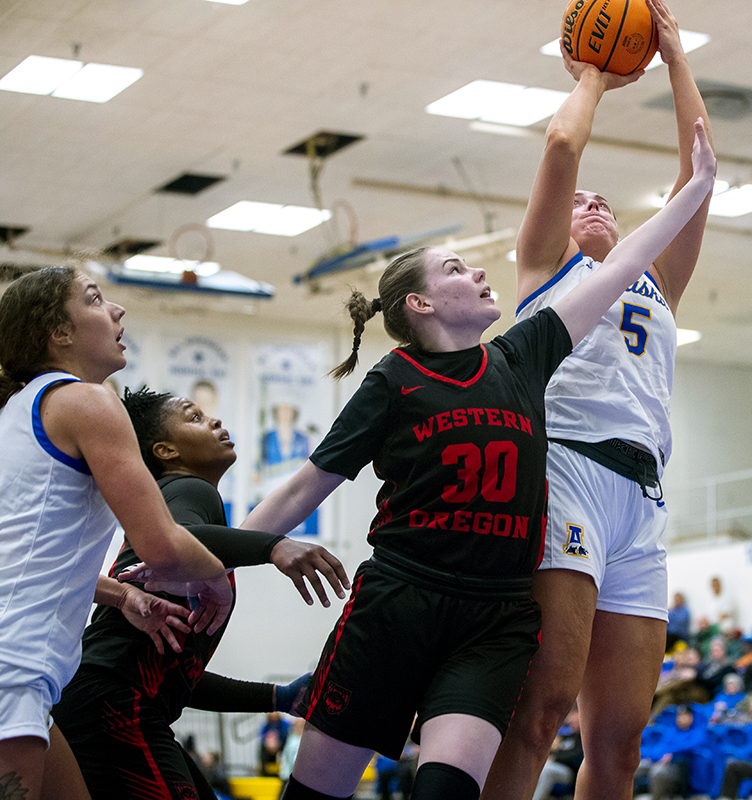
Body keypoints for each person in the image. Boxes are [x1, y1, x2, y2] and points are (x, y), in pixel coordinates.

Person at [239, 119, 715, 800]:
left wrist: (697, 186)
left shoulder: (522, 356)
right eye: (457, 269)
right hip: (401, 598)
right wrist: (223, 560)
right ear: (421, 302)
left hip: (490, 617)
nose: (481, 270)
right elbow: (303, 487)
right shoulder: (394, 379)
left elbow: (619, 268)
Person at [480, 2, 713, 797]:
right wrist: (593, 74)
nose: (594, 203)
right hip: (566, 474)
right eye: (582, 201)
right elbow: (560, 144)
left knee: (619, 740)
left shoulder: (659, 282)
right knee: (541, 712)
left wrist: (677, 57)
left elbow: (698, 173)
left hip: (643, 496)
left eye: (605, 202)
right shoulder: (546, 270)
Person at [0, 266, 232, 800]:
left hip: (27, 673)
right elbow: (162, 548)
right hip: (15, 665)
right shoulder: (89, 400)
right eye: (95, 299)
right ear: (59, 332)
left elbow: (22, 554)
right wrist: (216, 576)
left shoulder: (18, 408)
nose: (117, 310)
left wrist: (119, 593)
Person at [53, 385, 347, 800]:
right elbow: (181, 536)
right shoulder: (190, 491)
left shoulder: (186, 506)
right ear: (166, 452)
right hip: (112, 705)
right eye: (194, 417)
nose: (215, 420)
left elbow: (175, 677)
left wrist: (279, 696)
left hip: (120, 705)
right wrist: (275, 546)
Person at [633, 705, 706, 800]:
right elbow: (660, 747)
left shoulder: (697, 732)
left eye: (684, 716)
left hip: (676, 767)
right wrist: (657, 756)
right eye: (679, 716)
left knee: (657, 772)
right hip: (659, 761)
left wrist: (672, 754)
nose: (680, 718)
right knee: (635, 767)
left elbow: (689, 747)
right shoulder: (672, 732)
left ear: (691, 717)